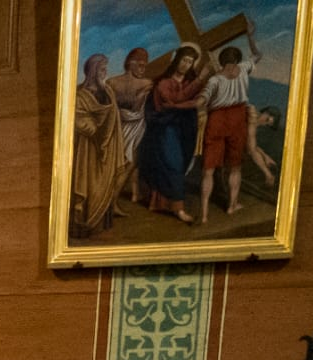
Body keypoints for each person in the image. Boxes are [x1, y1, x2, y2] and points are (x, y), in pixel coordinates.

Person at [137, 45, 210, 224]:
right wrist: (200, 79)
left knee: (178, 164)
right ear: (177, 60)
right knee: (173, 164)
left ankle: (159, 203)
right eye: (184, 60)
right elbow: (177, 99)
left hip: (184, 130)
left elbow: (197, 101)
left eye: (190, 61)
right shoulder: (164, 83)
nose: (186, 64)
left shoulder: (188, 83)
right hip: (164, 129)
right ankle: (179, 209)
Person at [71, 53, 130, 238]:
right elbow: (79, 118)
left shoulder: (108, 92)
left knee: (106, 182)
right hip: (89, 149)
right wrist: (95, 129)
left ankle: (102, 224)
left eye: (106, 69)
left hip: (108, 148)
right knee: (89, 184)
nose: (105, 73)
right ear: (93, 70)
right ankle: (86, 224)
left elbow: (113, 116)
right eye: (102, 69)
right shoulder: (81, 95)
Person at [198, 45, 251, 222]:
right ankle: (232, 206)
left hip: (217, 119)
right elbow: (257, 55)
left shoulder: (215, 79)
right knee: (234, 166)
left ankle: (205, 214)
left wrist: (198, 104)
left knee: (209, 170)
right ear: (236, 60)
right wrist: (251, 38)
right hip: (236, 118)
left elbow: (203, 98)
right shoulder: (243, 69)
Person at [106, 48, 155, 201]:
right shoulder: (112, 83)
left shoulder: (146, 83)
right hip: (118, 126)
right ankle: (110, 198)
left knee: (134, 160)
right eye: (140, 65)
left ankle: (134, 193)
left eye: (145, 66)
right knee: (125, 162)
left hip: (137, 126)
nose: (143, 69)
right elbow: (107, 107)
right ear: (129, 63)